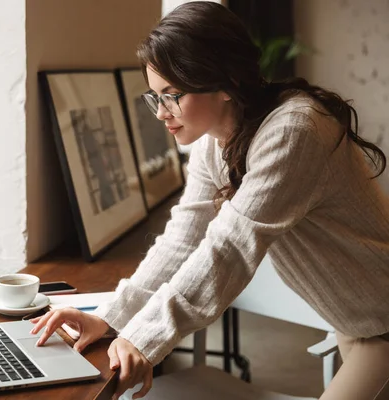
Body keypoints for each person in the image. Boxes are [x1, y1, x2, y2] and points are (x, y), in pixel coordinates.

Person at [31, 2, 389, 399]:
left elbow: (229, 248)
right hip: (355, 322)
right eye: (155, 98)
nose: (161, 113)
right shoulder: (215, 143)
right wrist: (113, 317)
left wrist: (145, 338)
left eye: (173, 96)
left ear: (226, 82)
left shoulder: (293, 132)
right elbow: (183, 239)